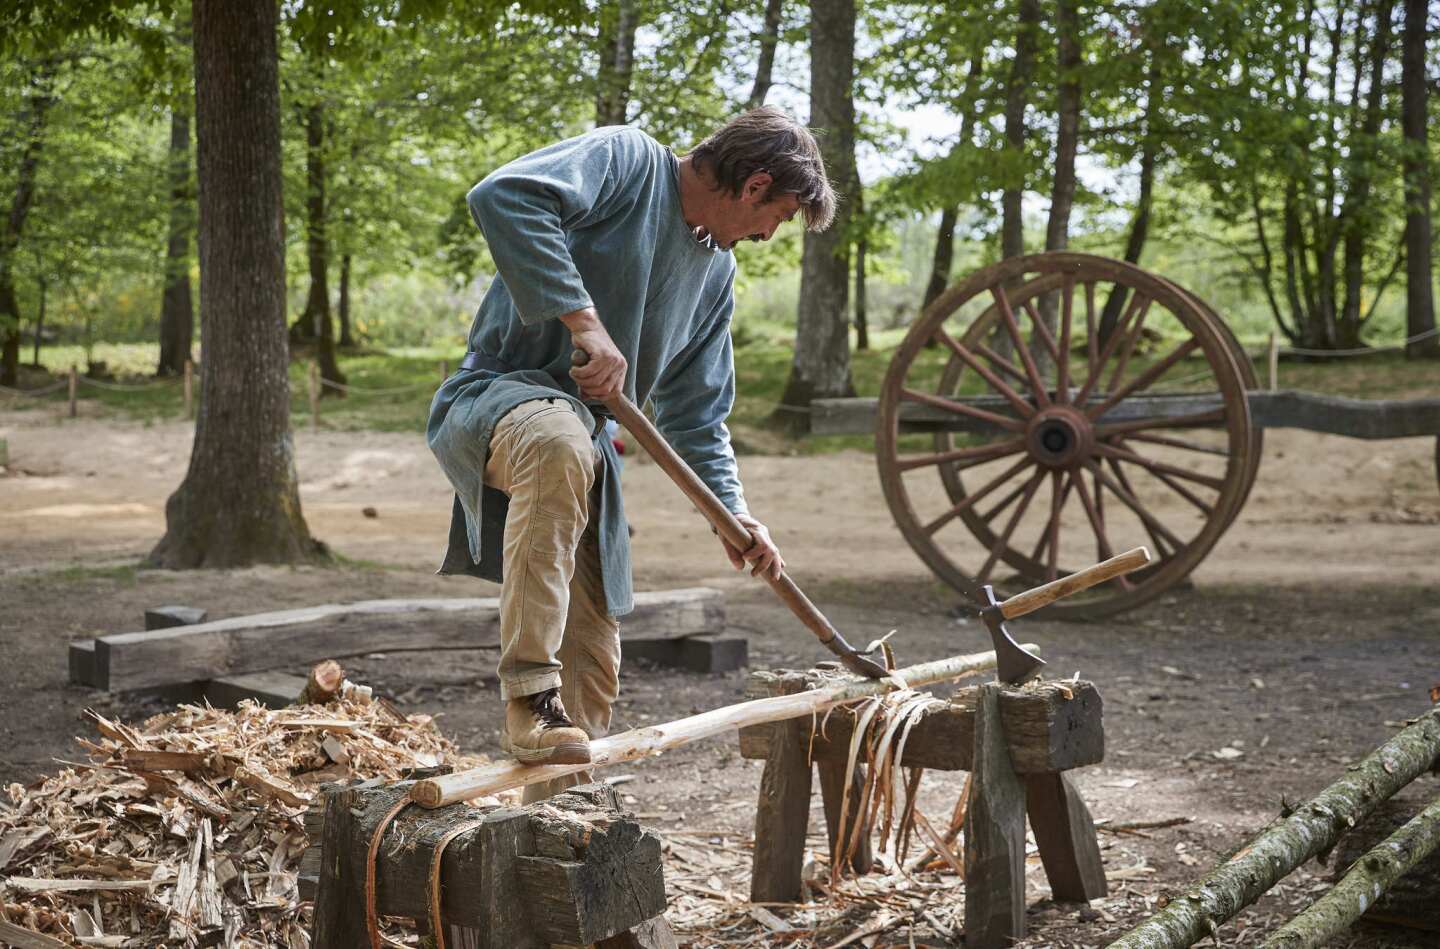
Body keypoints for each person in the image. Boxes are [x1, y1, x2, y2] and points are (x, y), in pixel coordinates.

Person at [427, 107, 836, 801]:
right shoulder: (626, 160)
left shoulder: (715, 273)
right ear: (754, 186)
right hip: (501, 399)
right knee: (559, 439)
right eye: (780, 216)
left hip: (587, 449)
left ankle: (554, 824)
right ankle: (528, 697)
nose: (770, 235)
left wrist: (733, 515)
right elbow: (502, 196)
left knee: (592, 660)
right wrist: (584, 324)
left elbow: (699, 416)